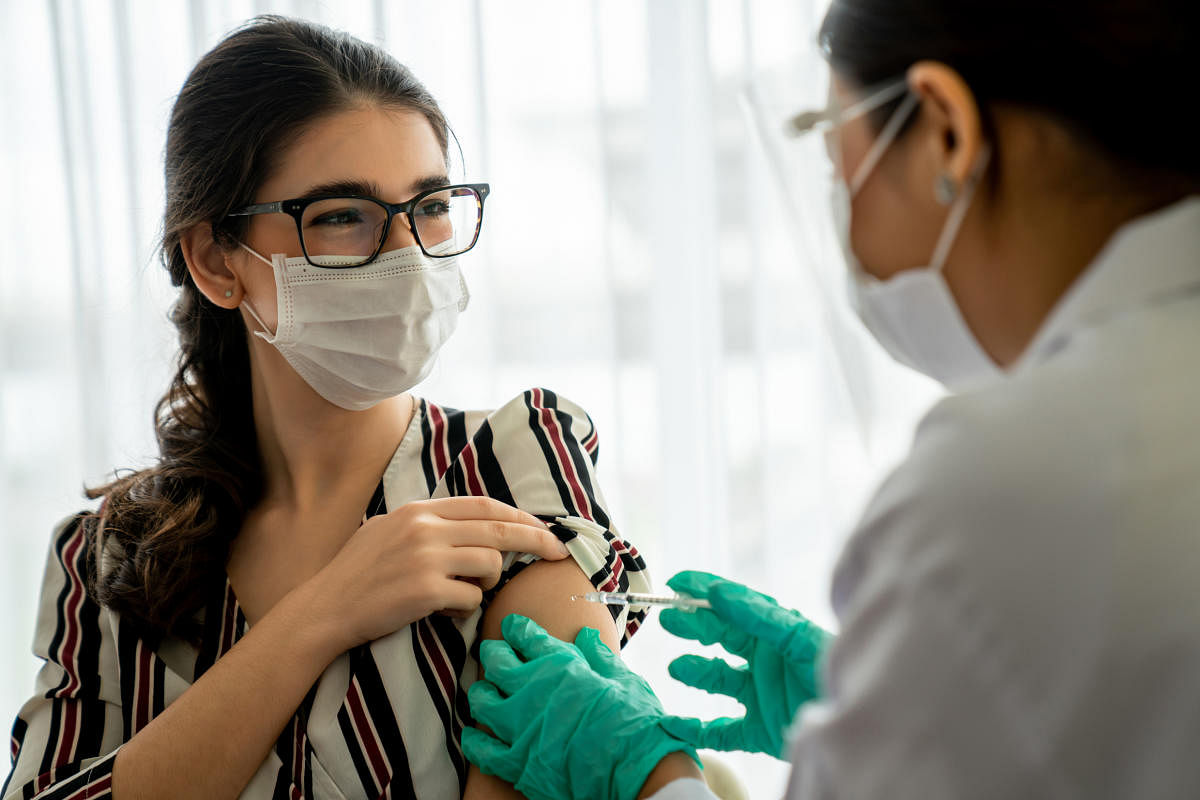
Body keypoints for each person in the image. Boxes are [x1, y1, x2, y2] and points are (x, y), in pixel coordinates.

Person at [460, 0, 1200, 798]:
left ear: (947, 131)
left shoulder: (1009, 477)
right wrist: (913, 703)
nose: (839, 195)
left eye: (829, 135)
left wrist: (648, 776)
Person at [2, 16, 656, 800]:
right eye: (343, 216)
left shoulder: (515, 463)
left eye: (432, 204)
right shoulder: (107, 556)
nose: (407, 256)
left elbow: (554, 765)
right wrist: (323, 613)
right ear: (216, 260)